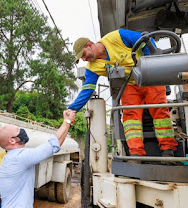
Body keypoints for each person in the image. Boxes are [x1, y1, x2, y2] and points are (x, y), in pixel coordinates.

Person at [68, 29, 177, 158]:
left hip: (150, 79)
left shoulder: (117, 37)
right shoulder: (92, 68)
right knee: (130, 117)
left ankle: (168, 149)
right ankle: (136, 153)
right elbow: (87, 90)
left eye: (83, 54)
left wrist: (149, 66)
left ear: (90, 45)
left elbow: (147, 40)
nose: (84, 59)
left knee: (160, 111)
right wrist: (72, 109)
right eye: (82, 58)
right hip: (130, 85)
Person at [0, 110, 76, 208]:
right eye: (18, 130)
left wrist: (68, 123)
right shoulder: (20, 158)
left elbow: (56, 144)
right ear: (12, 140)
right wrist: (67, 121)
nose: (22, 131)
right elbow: (53, 145)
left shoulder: (11, 157)